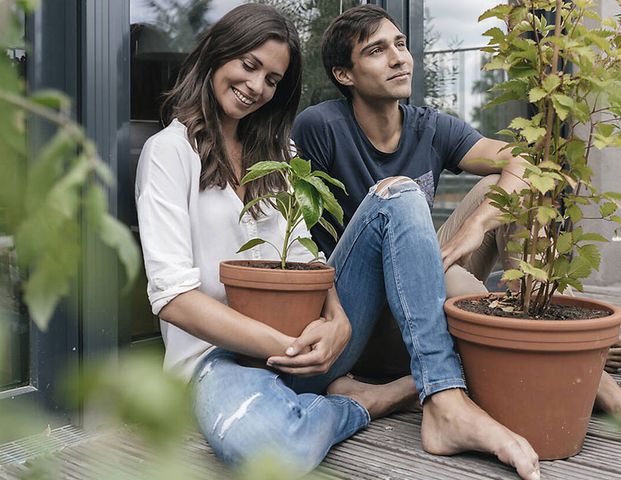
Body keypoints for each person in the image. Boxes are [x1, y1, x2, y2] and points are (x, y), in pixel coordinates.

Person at [136, 4, 423, 475]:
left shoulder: (278, 152)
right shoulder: (169, 152)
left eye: (272, 80)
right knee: (275, 451)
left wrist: (337, 321)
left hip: (306, 342)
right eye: (249, 66)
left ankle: (439, 386)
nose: (256, 87)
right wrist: (283, 347)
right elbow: (173, 297)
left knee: (399, 196)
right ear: (216, 54)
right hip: (219, 360)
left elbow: (307, 254)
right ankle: (365, 403)